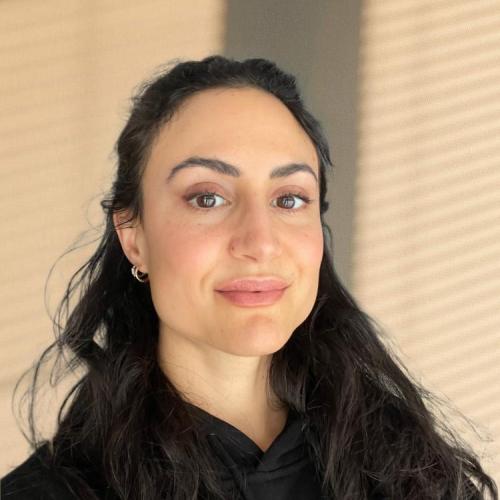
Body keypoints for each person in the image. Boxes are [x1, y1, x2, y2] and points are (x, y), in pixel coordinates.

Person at [1, 56, 497, 500]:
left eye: (288, 199)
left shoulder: (415, 474)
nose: (260, 242)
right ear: (134, 236)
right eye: (207, 198)